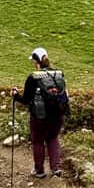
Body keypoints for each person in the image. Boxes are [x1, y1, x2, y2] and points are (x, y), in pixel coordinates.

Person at [12, 47, 67, 179]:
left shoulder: (33, 77)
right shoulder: (59, 74)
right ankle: (55, 168)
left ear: (36, 62)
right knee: (53, 139)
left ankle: (39, 170)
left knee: (38, 141)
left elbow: (26, 99)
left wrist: (15, 95)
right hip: (58, 114)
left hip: (39, 117)